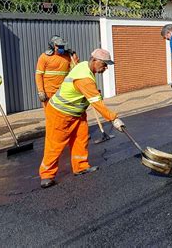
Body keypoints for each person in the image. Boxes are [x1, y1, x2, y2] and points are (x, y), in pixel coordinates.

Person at [39, 48, 124, 189]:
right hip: (60, 114)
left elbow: (84, 91)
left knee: (81, 139)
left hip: (77, 114)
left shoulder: (84, 66)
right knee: (55, 145)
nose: (106, 68)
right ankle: (47, 175)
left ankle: (80, 167)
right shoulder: (85, 78)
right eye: (104, 64)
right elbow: (97, 103)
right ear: (95, 61)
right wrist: (113, 119)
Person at [35, 35, 79, 108]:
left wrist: (75, 58)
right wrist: (41, 91)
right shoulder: (44, 57)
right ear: (52, 46)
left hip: (63, 91)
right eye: (58, 46)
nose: (61, 48)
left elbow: (75, 70)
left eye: (62, 46)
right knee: (50, 115)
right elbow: (38, 75)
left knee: (62, 115)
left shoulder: (67, 56)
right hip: (49, 92)